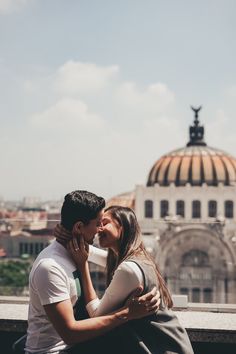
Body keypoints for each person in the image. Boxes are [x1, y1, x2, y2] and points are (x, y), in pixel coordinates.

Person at [25, 191, 160, 354]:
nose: (99, 229)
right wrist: (128, 313)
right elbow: (70, 333)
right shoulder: (50, 267)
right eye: (97, 223)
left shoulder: (76, 254)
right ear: (79, 227)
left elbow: (120, 263)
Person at [69, 205, 194, 354]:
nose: (98, 229)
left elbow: (96, 315)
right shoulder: (140, 258)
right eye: (98, 224)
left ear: (121, 226)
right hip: (173, 345)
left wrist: (82, 266)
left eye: (105, 223)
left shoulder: (128, 269)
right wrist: (69, 238)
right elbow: (97, 256)